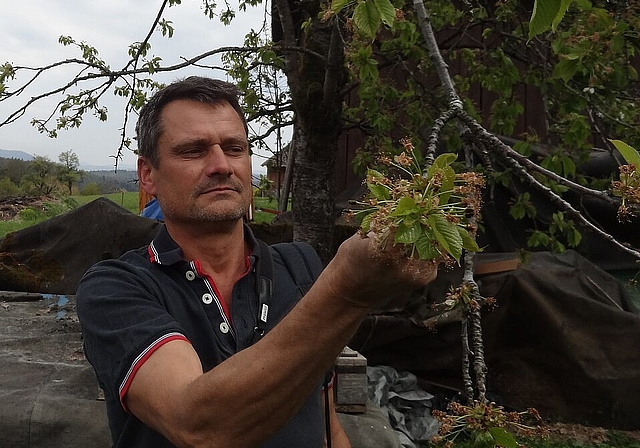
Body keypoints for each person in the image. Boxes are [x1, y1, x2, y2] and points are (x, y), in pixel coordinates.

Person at [76, 76, 439, 448]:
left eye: (235, 148)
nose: (221, 165)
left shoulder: (300, 267)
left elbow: (325, 422)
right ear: (148, 175)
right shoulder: (116, 288)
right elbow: (199, 427)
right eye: (193, 151)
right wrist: (347, 293)